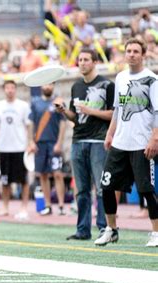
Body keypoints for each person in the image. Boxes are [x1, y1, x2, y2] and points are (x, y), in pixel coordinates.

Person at [95, 38, 158, 247]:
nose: (131, 54)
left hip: (141, 144)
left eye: (135, 51)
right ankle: (111, 229)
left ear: (143, 54)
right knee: (106, 186)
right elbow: (117, 111)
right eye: (128, 51)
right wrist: (110, 134)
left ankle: (156, 232)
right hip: (120, 143)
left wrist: (154, 138)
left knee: (146, 190)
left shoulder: (152, 79)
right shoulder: (120, 78)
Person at [55, 48, 114, 240]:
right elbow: (76, 118)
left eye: (86, 59)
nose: (82, 63)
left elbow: (114, 114)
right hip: (78, 141)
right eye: (80, 60)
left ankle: (105, 228)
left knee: (101, 188)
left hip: (98, 141)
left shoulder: (107, 85)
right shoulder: (76, 86)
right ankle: (83, 230)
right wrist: (64, 110)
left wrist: (90, 110)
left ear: (95, 62)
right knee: (81, 190)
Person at [0, 80, 32, 219]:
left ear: (16, 90)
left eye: (12, 88)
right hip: (4, 148)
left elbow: (29, 125)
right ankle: (5, 207)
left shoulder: (23, 106)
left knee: (23, 180)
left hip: (20, 148)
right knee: (5, 180)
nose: (10, 90)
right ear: (4, 90)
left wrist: (30, 142)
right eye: (7, 88)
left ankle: (24, 207)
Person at [28, 83, 67, 216]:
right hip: (40, 143)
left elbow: (63, 122)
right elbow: (31, 122)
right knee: (43, 174)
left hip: (53, 143)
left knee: (57, 173)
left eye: (50, 84)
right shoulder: (35, 103)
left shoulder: (58, 102)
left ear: (54, 86)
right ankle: (48, 205)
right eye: (45, 84)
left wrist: (59, 143)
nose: (48, 86)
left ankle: (61, 206)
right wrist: (31, 141)